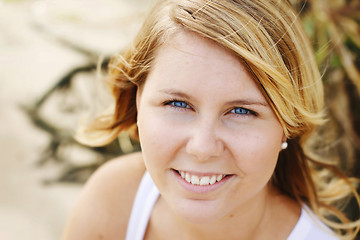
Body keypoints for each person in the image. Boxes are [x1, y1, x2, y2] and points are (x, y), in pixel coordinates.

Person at [62, 0, 360, 239]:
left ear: (286, 126)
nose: (202, 148)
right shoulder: (114, 198)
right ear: (139, 102)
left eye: (242, 111)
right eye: (178, 103)